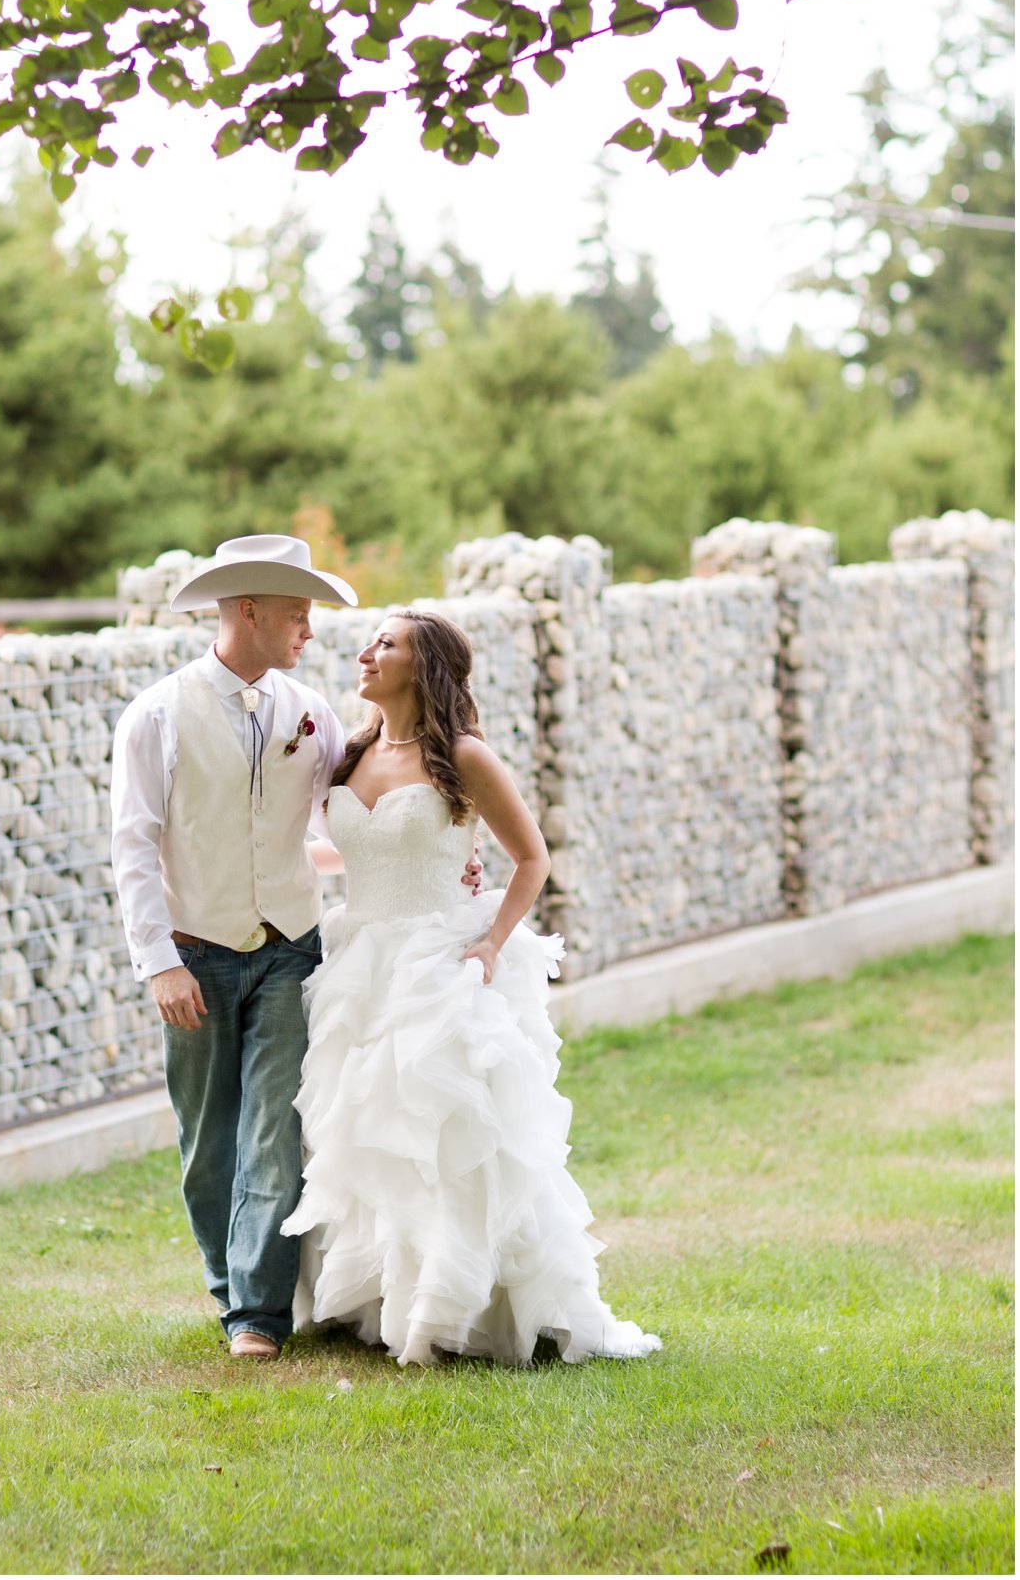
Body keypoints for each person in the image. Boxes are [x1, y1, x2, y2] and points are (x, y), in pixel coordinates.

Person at [109, 536, 477, 1362]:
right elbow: (132, 845)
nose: (311, 629)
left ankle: (258, 1316)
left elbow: (341, 817)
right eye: (297, 613)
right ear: (249, 610)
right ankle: (227, 1286)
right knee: (209, 1144)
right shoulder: (158, 716)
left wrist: (447, 852)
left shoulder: (309, 712)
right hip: (195, 954)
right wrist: (158, 960)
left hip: (289, 951)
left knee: (276, 1130)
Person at [283, 607, 663, 1367]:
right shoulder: (349, 753)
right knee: (363, 1131)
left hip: (438, 960)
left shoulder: (463, 757)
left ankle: (461, 1307)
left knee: (445, 1134)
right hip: (359, 963)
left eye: (384, 644)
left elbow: (531, 858)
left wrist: (491, 942)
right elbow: (352, 852)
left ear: (422, 668)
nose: (365, 652)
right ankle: (374, 1299)